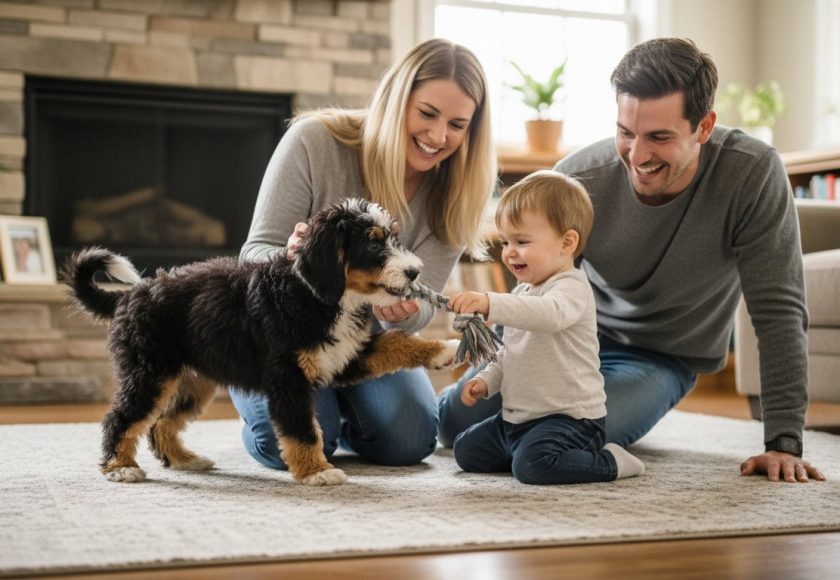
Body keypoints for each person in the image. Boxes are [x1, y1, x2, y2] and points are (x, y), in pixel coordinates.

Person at [439, 37, 826, 483]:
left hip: (662, 358)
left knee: (560, 437)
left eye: (659, 137)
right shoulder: (577, 181)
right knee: (455, 425)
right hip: (565, 337)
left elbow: (779, 309)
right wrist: (494, 369)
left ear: (704, 127)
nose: (637, 156)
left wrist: (783, 442)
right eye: (626, 133)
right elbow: (533, 292)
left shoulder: (751, 174)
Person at [229, 38, 497, 471]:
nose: (437, 136)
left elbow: (422, 307)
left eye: (457, 124)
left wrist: (403, 313)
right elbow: (253, 254)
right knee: (308, 440)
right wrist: (290, 258)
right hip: (277, 334)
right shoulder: (314, 141)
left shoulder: (456, 191)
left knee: (411, 441)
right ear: (396, 100)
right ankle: (271, 397)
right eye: (427, 113)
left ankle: (341, 409)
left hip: (359, 339)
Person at [449, 171, 644, 484]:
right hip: (516, 420)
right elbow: (508, 352)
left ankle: (611, 461)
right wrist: (486, 381)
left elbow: (549, 315)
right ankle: (525, 450)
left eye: (522, 242)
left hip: (571, 420)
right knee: (465, 451)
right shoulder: (521, 293)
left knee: (533, 467)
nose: (509, 252)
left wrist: (489, 302)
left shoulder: (572, 288)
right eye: (505, 242)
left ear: (567, 243)